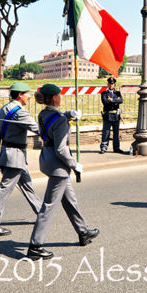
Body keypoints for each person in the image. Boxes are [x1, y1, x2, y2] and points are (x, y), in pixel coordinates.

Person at [27, 83, 99, 260]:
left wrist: (69, 115)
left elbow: (54, 120)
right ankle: (35, 245)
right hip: (59, 165)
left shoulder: (44, 113)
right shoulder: (59, 120)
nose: (61, 97)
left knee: (70, 200)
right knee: (49, 206)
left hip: (48, 159)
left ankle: (83, 232)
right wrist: (74, 164)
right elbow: (61, 149)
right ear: (54, 98)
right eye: (59, 95)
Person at [0, 82, 42, 237]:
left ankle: (42, 213)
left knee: (27, 185)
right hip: (15, 156)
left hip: (7, 154)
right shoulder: (20, 112)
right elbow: (37, 129)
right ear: (20, 95)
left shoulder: (1, 111)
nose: (29, 97)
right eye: (27, 94)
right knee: (5, 189)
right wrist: (59, 126)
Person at [100, 76, 124, 154]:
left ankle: (116, 148)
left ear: (114, 85)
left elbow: (121, 100)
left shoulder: (117, 93)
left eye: (112, 84)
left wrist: (112, 100)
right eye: (110, 84)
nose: (111, 85)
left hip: (116, 115)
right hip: (108, 115)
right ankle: (104, 147)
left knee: (116, 133)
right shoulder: (104, 93)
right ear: (107, 84)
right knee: (106, 133)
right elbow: (105, 102)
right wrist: (115, 101)